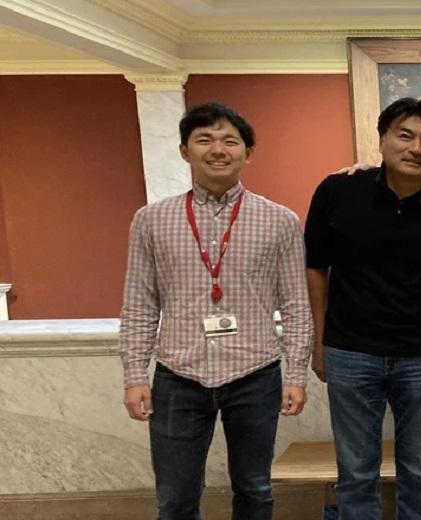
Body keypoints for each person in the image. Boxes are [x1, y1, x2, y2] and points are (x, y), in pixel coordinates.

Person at [305, 97, 421, 520]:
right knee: (355, 471)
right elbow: (316, 266)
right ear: (382, 140)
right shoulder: (338, 191)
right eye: (405, 136)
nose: (416, 148)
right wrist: (319, 342)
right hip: (350, 351)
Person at [119, 102, 312, 519]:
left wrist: (295, 375)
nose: (218, 150)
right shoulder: (151, 220)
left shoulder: (279, 221)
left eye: (230, 141)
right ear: (184, 150)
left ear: (248, 152)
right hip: (178, 375)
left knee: (255, 488)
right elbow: (139, 304)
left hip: (255, 374)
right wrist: (135, 375)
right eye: (204, 140)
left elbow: (297, 305)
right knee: (175, 496)